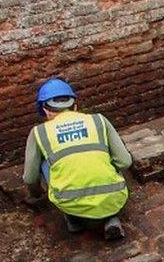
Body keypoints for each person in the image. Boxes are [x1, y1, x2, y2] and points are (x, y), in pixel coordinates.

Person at [22, 78, 132, 240]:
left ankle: (74, 219)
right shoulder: (98, 120)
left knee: (45, 162)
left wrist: (36, 196)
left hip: (68, 200)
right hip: (114, 195)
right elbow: (125, 162)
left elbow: (30, 177)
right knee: (104, 154)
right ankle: (111, 218)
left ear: (45, 110)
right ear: (75, 105)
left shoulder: (39, 132)